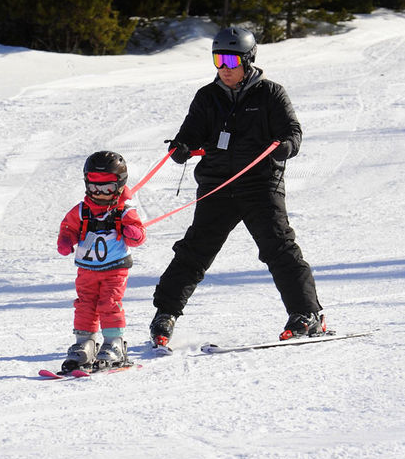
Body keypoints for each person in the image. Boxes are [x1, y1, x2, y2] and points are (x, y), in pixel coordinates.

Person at [149, 26, 323, 351]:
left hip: (260, 185)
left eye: (231, 60)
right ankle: (165, 315)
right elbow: (189, 134)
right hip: (217, 186)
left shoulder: (271, 94)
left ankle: (307, 313)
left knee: (279, 247)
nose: (224, 68)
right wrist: (182, 148)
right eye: (218, 60)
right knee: (195, 251)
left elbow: (293, 132)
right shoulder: (207, 97)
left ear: (248, 59)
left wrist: (287, 144)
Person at [57, 151, 146, 372]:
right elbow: (68, 227)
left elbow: (139, 235)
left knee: (109, 303)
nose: (100, 193)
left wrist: (133, 233)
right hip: (87, 270)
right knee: (85, 304)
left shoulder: (123, 211)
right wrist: (66, 240)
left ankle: (113, 343)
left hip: (115, 269)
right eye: (95, 187)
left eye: (106, 188)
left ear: (119, 185)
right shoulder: (81, 211)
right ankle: (84, 343)